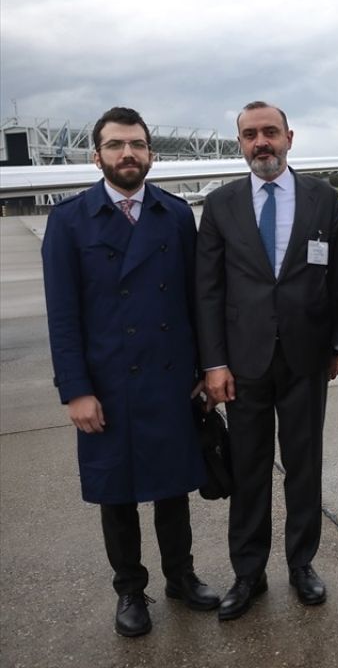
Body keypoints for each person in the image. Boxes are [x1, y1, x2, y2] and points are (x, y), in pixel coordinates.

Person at [42, 107, 220, 637]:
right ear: (96, 155)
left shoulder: (174, 214)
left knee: (173, 489)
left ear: (151, 154)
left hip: (168, 379)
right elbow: (63, 317)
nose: (128, 154)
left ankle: (180, 577)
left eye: (137, 145)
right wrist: (75, 391)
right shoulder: (70, 220)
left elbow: (194, 300)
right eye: (116, 145)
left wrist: (202, 368)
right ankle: (129, 590)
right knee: (116, 493)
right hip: (107, 384)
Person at [195, 101, 338, 621]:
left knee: (304, 467)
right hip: (244, 363)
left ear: (289, 136)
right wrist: (214, 363)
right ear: (240, 143)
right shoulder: (220, 205)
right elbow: (209, 291)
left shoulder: (323, 198)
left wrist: (336, 347)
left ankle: (302, 564)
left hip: (307, 358)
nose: (261, 142)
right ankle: (248, 573)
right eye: (250, 135)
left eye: (270, 132)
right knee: (250, 468)